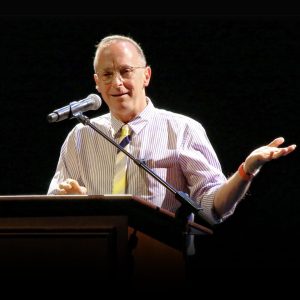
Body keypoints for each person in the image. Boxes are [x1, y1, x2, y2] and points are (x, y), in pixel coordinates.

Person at [47, 34, 296, 226]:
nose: (117, 82)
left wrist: (247, 170)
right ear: (97, 83)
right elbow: (51, 208)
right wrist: (69, 202)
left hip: (158, 259)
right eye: (107, 74)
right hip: (94, 258)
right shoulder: (80, 136)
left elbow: (212, 209)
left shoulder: (182, 129)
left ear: (146, 76)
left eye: (125, 71)